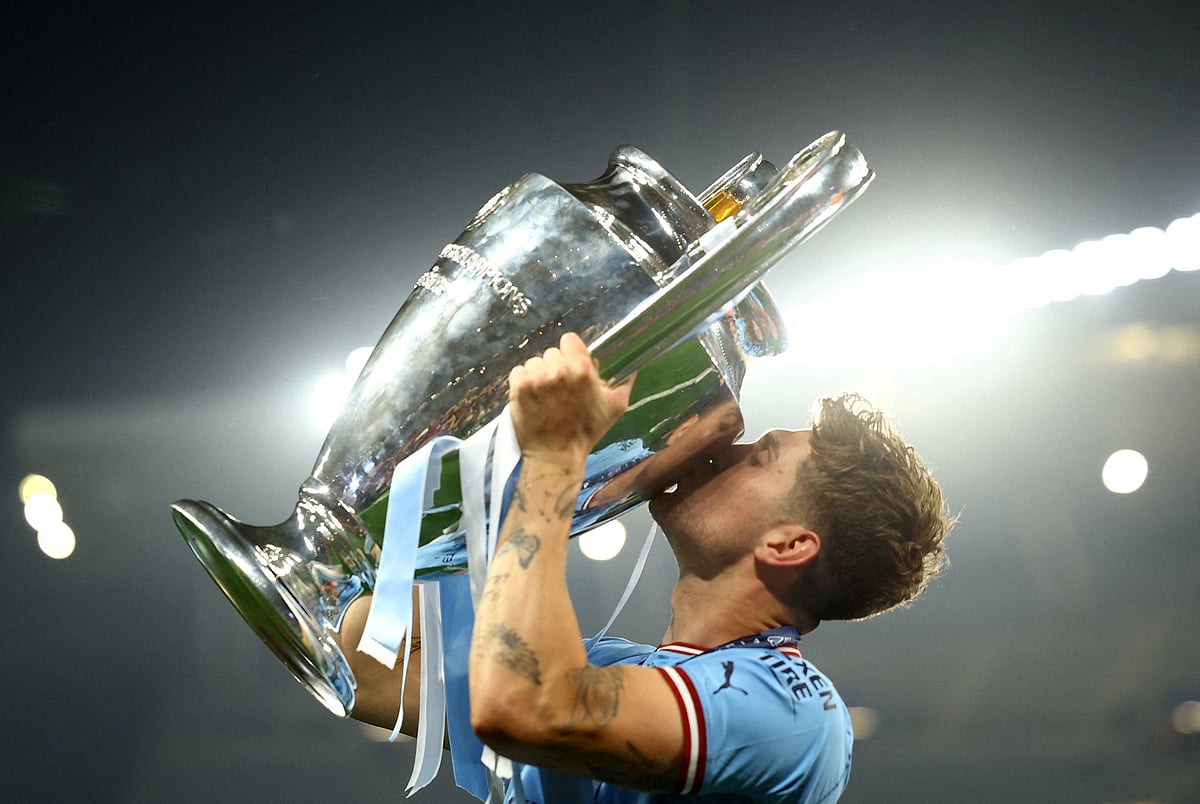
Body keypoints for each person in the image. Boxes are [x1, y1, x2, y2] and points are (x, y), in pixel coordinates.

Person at [340, 332, 950, 802]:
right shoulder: (620, 669)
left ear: (788, 546)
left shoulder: (796, 715)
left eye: (761, 458)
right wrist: (483, 472)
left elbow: (523, 707)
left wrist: (555, 462)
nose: (725, 450)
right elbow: (368, 673)